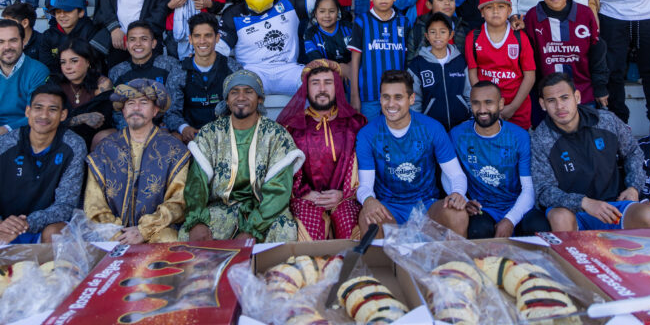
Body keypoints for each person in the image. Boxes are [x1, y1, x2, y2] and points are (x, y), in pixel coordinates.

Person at [0, 85, 87, 246]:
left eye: (52, 109)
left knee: (57, 234)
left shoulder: (73, 145)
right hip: (1, 226)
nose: (44, 115)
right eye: (38, 108)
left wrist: (26, 223)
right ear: (28, 111)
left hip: (43, 227)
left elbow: (66, 205)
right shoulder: (4, 144)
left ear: (63, 115)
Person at [532, 73, 650, 231]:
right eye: (551, 101)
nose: (559, 106)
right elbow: (544, 190)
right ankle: (575, 255)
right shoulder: (540, 138)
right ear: (542, 104)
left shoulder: (606, 121)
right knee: (559, 217)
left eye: (564, 98)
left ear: (577, 97)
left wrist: (633, 187)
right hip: (573, 210)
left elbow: (633, 152)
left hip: (614, 204)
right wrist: (584, 202)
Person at [181, 71, 304, 243]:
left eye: (248, 91)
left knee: (285, 231)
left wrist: (252, 229)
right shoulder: (210, 133)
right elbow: (196, 183)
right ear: (226, 100)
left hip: (265, 211)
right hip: (222, 207)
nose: (241, 97)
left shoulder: (277, 135)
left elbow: (278, 191)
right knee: (189, 235)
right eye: (234, 92)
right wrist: (197, 221)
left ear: (260, 99)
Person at [356, 70, 469, 236]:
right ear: (380, 99)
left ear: (411, 99)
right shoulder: (368, 134)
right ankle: (385, 263)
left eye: (398, 97)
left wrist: (458, 193)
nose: (391, 104)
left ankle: (450, 262)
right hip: (389, 207)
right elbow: (365, 185)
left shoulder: (432, 128)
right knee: (369, 218)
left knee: (457, 214)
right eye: (386, 97)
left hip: (427, 205)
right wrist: (368, 200)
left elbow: (456, 175)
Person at [85, 79, 190, 243]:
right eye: (130, 103)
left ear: (155, 110)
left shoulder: (174, 150)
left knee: (169, 239)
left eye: (143, 103)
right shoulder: (105, 149)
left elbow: (178, 202)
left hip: (156, 231)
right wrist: (116, 233)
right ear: (123, 110)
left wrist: (144, 230)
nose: (136, 108)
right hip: (111, 233)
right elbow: (94, 204)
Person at [277, 61, 366, 240]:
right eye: (315, 83)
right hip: (306, 199)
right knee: (307, 233)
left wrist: (344, 194)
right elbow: (284, 169)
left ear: (337, 86)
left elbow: (363, 166)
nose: (322, 88)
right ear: (306, 88)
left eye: (328, 82)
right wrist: (304, 193)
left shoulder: (355, 124)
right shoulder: (292, 127)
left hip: (345, 199)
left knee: (350, 226)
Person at [222, 0, 325, 96]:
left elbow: (321, 5)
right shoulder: (233, 14)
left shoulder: (289, 2)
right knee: (241, 92)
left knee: (318, 84)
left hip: (289, 69)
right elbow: (219, 50)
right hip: (253, 72)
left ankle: (315, 120)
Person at [451, 81, 547, 238]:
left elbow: (529, 189)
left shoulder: (519, 136)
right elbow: (450, 175)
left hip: (517, 204)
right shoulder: (457, 135)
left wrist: (510, 220)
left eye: (488, 103)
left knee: (539, 228)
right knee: (478, 231)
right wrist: (463, 199)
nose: (482, 110)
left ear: (501, 104)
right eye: (476, 103)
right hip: (483, 207)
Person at [523, 0, 609, 110]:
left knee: (584, 131)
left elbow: (597, 53)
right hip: (548, 96)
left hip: (583, 93)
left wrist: (600, 87)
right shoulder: (533, 17)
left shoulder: (585, 14)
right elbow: (529, 57)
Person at [464, 0, 536, 130]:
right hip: (486, 109)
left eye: (501, 6)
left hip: (517, 109)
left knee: (517, 147)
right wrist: (485, 104)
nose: (495, 11)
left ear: (509, 11)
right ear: (482, 12)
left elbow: (529, 76)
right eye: (489, 7)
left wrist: (513, 107)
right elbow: (473, 73)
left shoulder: (520, 37)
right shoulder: (473, 37)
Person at [162, 14, 237, 142]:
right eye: (197, 36)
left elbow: (242, 105)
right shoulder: (179, 70)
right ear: (190, 39)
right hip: (190, 138)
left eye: (208, 35)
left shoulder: (231, 68)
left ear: (217, 38)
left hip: (227, 136)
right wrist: (184, 128)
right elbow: (171, 111)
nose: (202, 41)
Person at [349, 0, 410, 120]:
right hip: (369, 96)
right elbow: (355, 61)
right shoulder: (362, 22)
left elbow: (408, 61)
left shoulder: (404, 22)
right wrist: (354, 94)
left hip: (398, 96)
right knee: (372, 136)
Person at [408, 13, 471, 131]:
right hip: (430, 128)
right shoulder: (417, 65)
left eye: (443, 32)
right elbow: (415, 100)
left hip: (461, 126)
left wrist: (471, 118)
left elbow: (469, 93)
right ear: (426, 36)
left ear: (451, 34)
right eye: (432, 32)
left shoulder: (460, 61)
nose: (437, 36)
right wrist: (418, 125)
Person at [55, 41, 114, 150]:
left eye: (74, 61)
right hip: (61, 140)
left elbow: (99, 121)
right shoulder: (56, 85)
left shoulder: (102, 84)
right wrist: (81, 118)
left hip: (92, 141)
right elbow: (50, 119)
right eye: (63, 62)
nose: (67, 67)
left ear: (88, 62)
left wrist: (68, 120)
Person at [37, 0, 103, 75]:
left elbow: (95, 63)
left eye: (67, 11)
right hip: (58, 80)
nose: (62, 15)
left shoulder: (91, 31)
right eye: (58, 12)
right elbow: (47, 65)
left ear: (81, 13)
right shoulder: (48, 35)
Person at [107, 20, 179, 89]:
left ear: (153, 43)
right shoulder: (116, 72)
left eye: (144, 39)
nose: (138, 43)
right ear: (127, 44)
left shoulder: (170, 66)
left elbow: (175, 99)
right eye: (132, 39)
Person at [303, 0, 353, 75]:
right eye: (322, 11)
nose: (327, 15)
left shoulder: (350, 28)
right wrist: (339, 68)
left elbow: (360, 54)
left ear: (338, 12)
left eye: (332, 11)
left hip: (351, 70)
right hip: (325, 74)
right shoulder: (310, 34)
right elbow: (317, 63)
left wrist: (349, 67)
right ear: (315, 13)